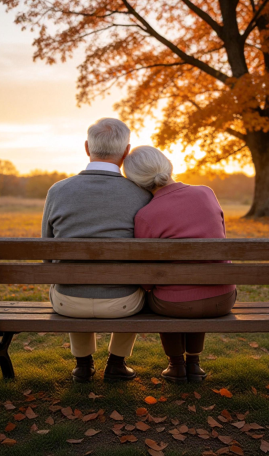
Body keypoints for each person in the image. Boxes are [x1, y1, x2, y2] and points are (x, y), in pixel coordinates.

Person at [42, 118, 152, 382]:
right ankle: (116, 363)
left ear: (86, 148)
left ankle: (83, 365)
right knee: (140, 288)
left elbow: (47, 253)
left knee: (71, 276)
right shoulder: (141, 194)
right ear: (126, 152)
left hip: (68, 302)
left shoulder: (57, 191)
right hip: (122, 303)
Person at [123, 146, 236, 383]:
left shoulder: (145, 215)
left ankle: (176, 366)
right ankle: (193, 364)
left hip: (174, 305)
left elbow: (146, 277)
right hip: (223, 298)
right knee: (197, 285)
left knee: (167, 295)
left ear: (136, 182)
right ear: (168, 164)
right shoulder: (206, 193)